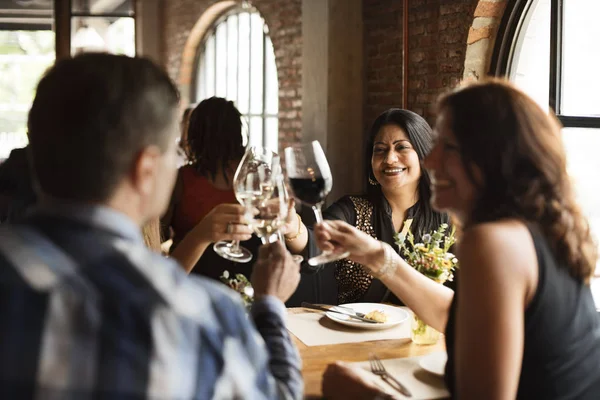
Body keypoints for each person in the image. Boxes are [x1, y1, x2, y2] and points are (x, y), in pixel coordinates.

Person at [0, 53, 303, 399]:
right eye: (173, 149)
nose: (179, 159)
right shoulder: (203, 318)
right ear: (145, 170)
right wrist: (270, 307)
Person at [317, 79, 600, 399]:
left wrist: (369, 397)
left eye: (447, 147)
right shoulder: (536, 228)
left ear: (491, 158)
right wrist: (378, 257)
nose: (432, 161)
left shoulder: (494, 242)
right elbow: (457, 316)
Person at [284, 109, 449, 304]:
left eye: (401, 147)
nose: (389, 159)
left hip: (423, 332)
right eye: (380, 149)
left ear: (424, 154)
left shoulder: (446, 216)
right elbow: (317, 242)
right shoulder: (353, 210)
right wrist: (292, 225)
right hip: (353, 333)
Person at [162, 97, 261, 281]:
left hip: (196, 282)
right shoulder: (255, 175)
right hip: (196, 281)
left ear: (195, 134)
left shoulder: (180, 179)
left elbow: (158, 239)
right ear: (238, 131)